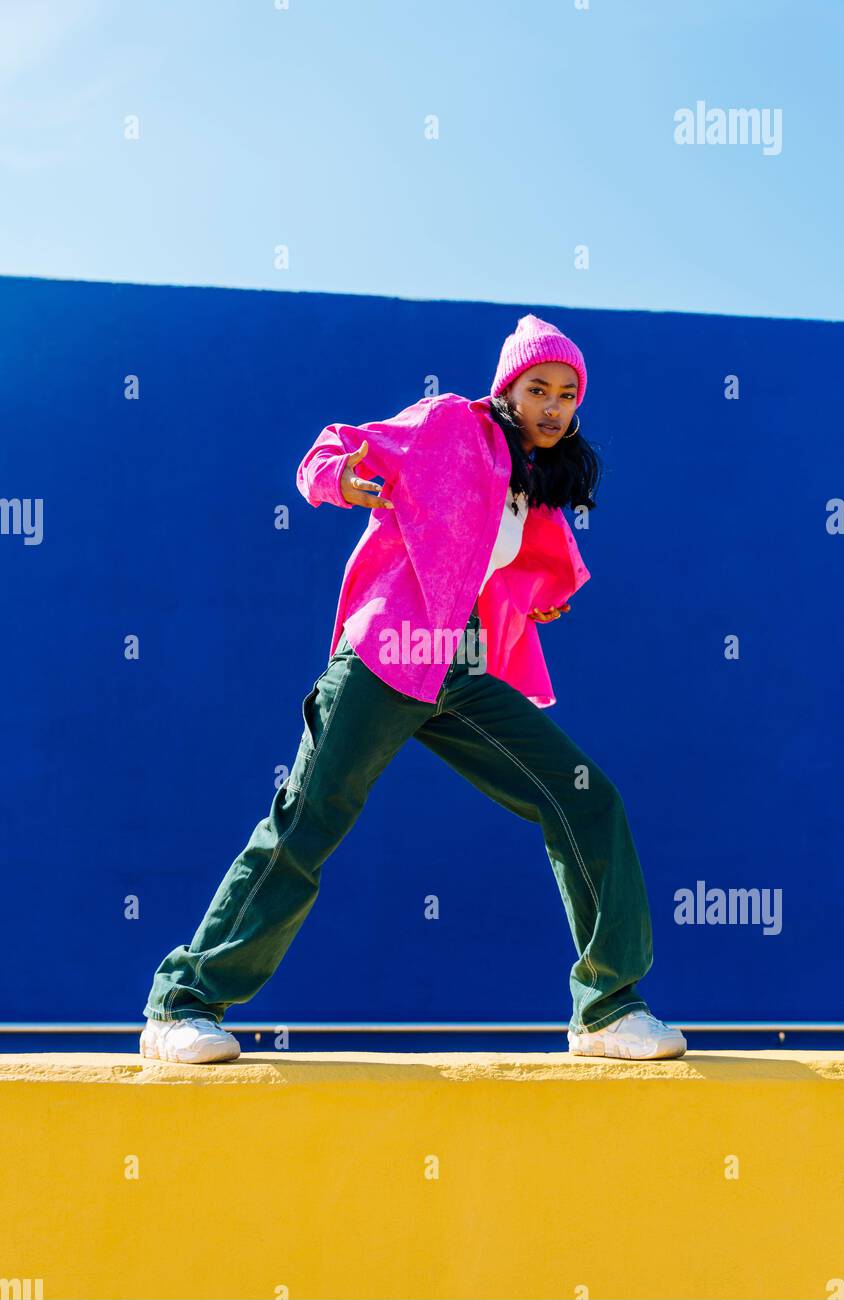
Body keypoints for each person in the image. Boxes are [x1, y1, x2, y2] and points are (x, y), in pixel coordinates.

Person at [139, 313, 687, 1064]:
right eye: (537, 389)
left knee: (585, 797)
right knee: (310, 819)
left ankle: (606, 1009)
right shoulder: (449, 425)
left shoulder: (536, 480)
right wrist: (343, 480)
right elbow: (326, 451)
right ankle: (181, 1003)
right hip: (384, 657)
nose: (552, 406)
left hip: (457, 669)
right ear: (508, 389)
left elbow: (486, 565)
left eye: (566, 393)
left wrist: (528, 597)